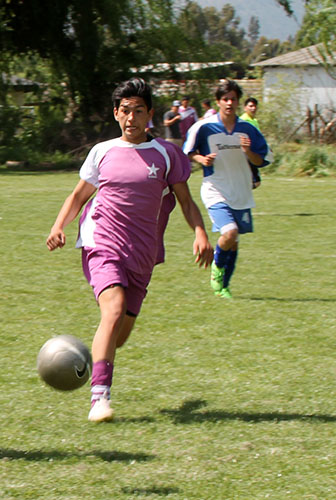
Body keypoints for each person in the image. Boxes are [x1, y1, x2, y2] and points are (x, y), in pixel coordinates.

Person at [46, 78, 213, 422]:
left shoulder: (167, 154)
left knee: (119, 334)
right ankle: (99, 399)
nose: (131, 118)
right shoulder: (102, 152)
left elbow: (185, 201)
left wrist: (199, 232)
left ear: (150, 114)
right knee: (113, 310)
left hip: (144, 253)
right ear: (115, 114)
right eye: (125, 111)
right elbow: (78, 196)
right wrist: (59, 226)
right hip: (101, 243)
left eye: (139, 111)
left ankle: (90, 354)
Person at [183, 80, 272, 299]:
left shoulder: (248, 129)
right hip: (215, 189)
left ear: (238, 102)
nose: (229, 103)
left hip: (240, 192)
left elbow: (262, 160)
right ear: (218, 101)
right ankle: (216, 267)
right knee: (229, 232)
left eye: (233, 99)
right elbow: (188, 151)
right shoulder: (204, 126)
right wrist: (202, 159)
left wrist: (248, 151)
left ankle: (224, 286)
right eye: (225, 99)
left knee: (233, 242)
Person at [239, 98, 263, 188]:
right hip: (245, 153)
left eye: (255, 106)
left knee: (254, 181)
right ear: (245, 108)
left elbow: (258, 137)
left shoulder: (254, 120)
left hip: (252, 153)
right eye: (250, 106)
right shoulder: (243, 120)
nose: (253, 108)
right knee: (254, 181)